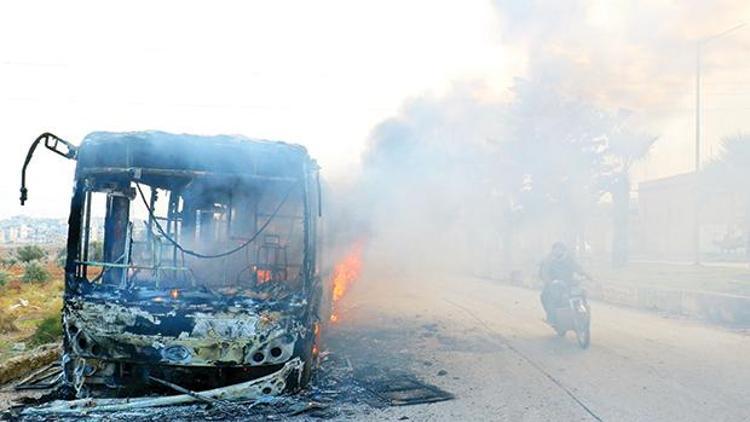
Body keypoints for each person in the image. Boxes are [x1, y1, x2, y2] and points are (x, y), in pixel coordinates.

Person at [539, 242, 591, 323]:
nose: (558, 251)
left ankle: (584, 313)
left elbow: (577, 268)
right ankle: (552, 318)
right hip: (554, 285)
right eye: (556, 249)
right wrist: (549, 282)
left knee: (581, 294)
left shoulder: (569, 259)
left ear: (564, 250)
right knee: (545, 297)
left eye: (560, 249)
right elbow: (544, 273)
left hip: (569, 283)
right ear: (553, 250)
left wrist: (586, 275)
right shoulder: (548, 260)